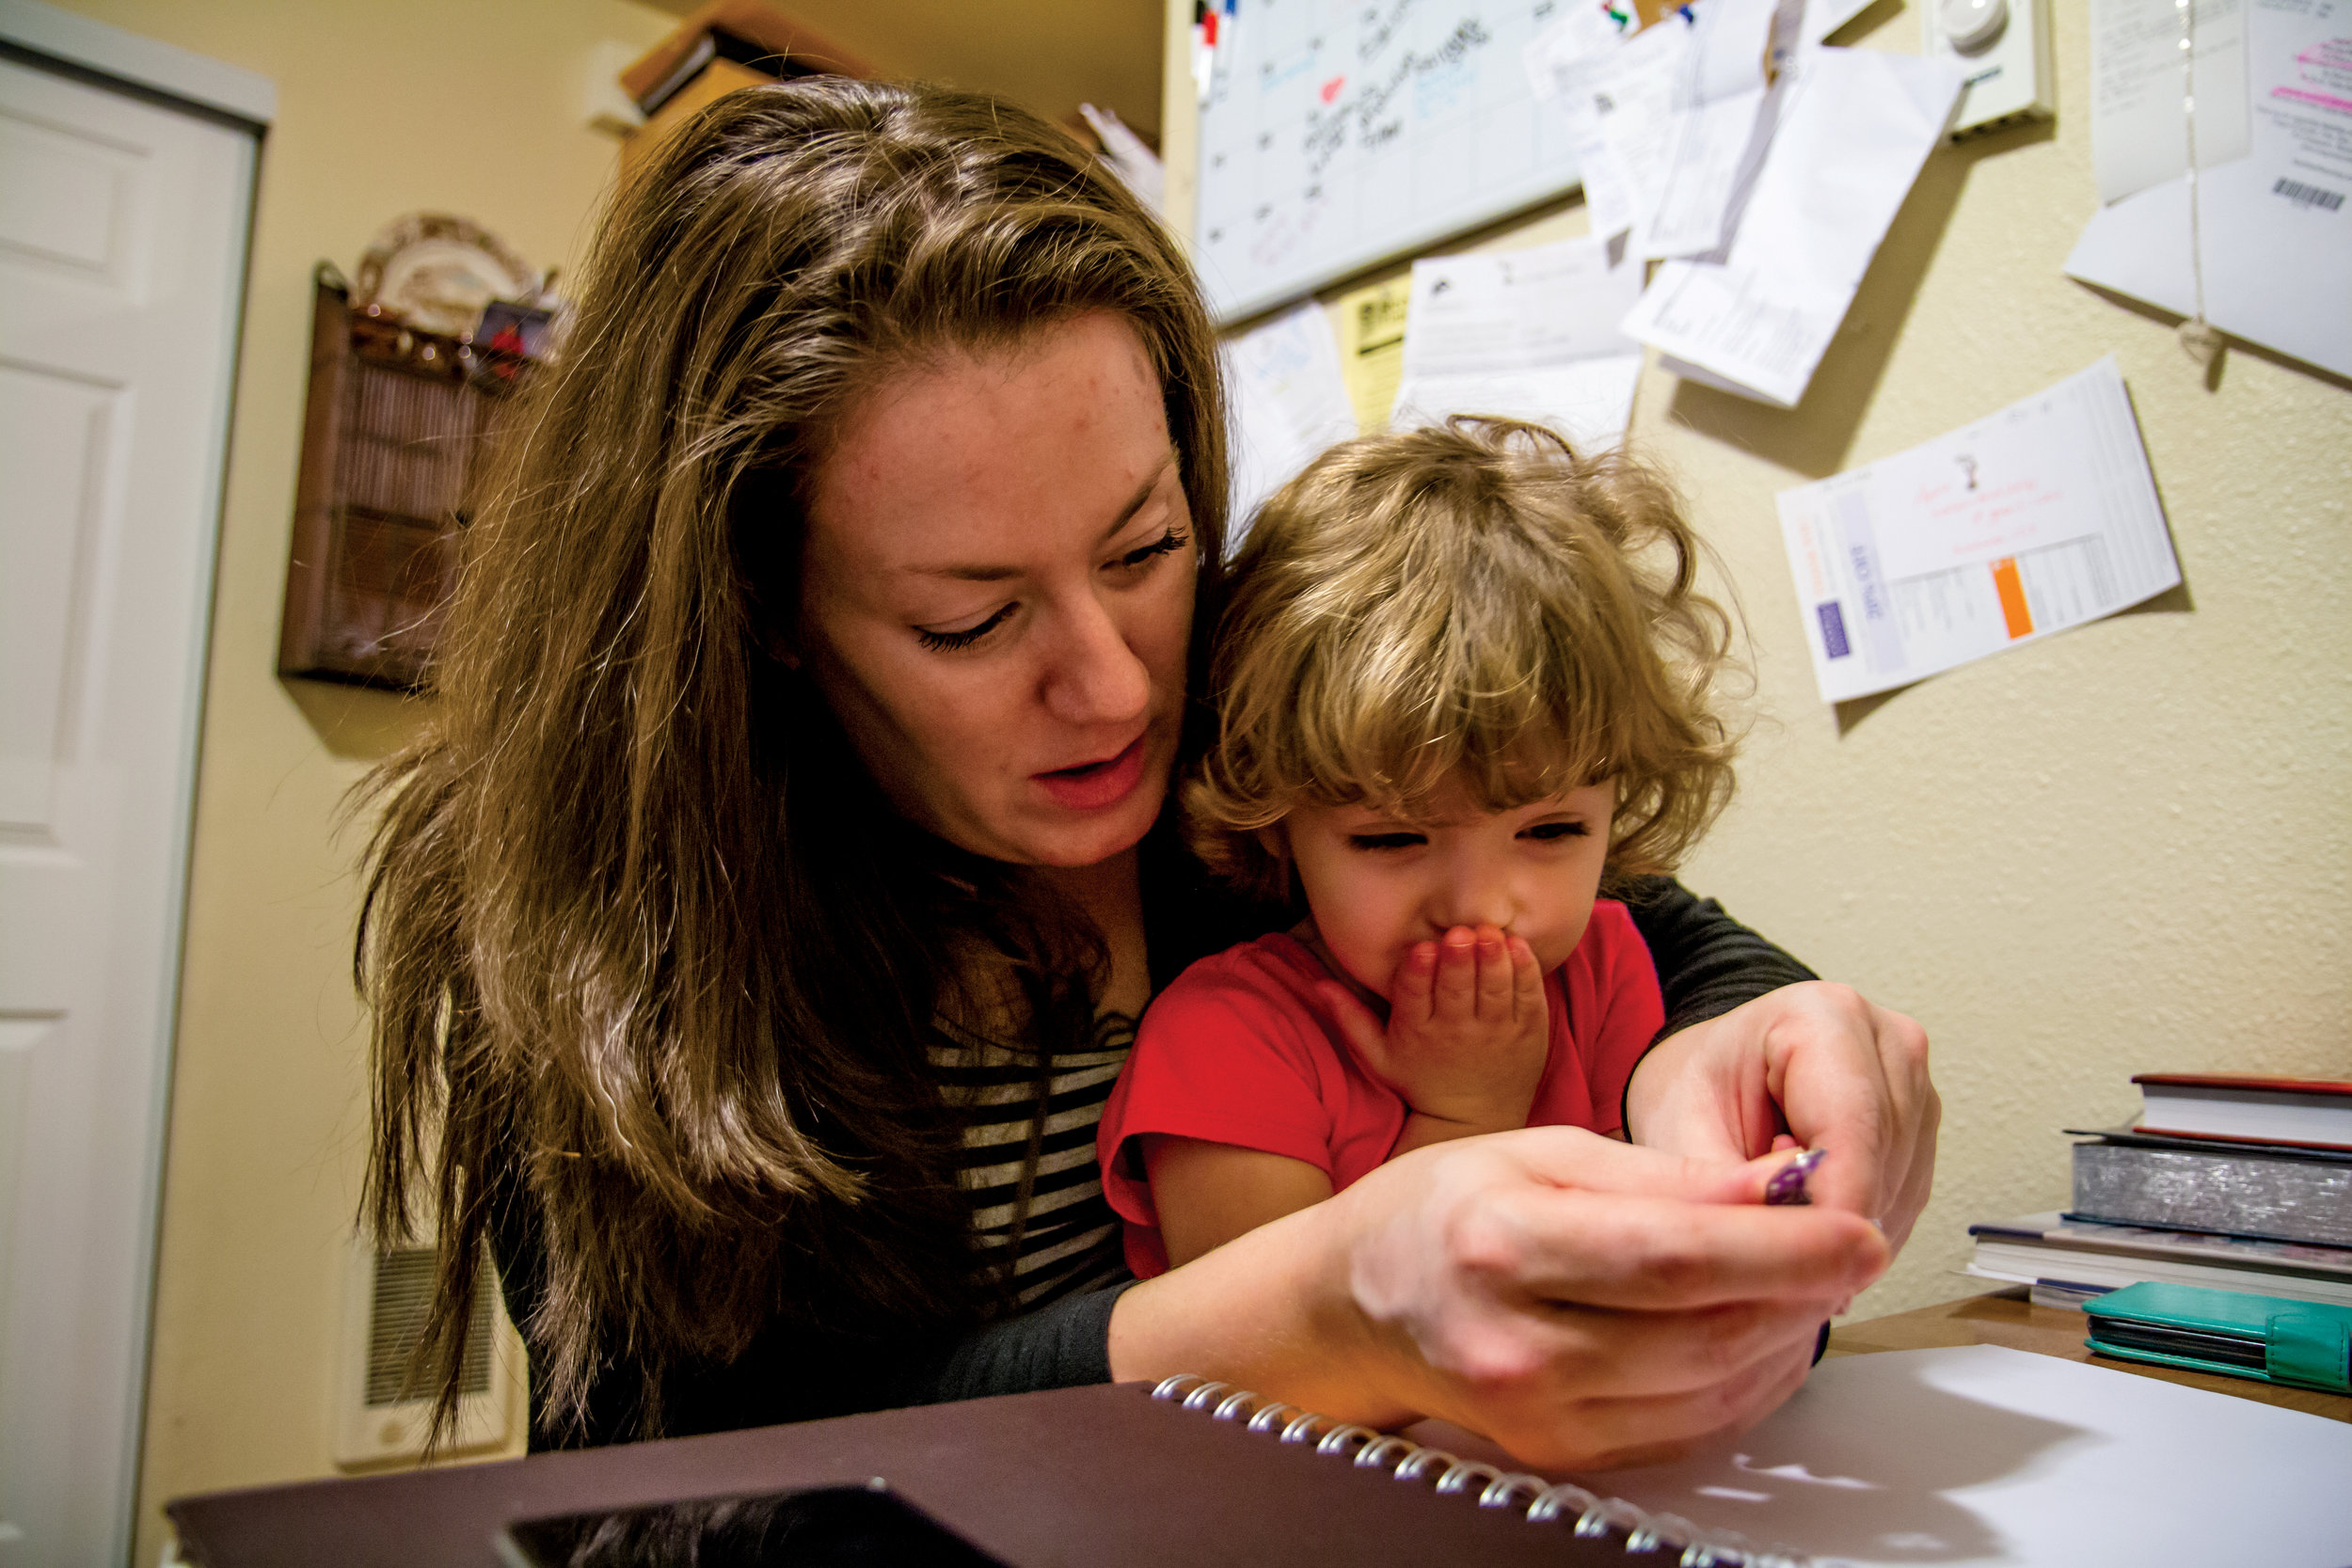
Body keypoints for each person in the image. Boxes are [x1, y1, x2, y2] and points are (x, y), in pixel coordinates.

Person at [356, 76, 1937, 1469]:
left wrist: (1756, 1032)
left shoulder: (1244, 749)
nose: (1117, 688)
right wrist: (1310, 1309)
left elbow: (1637, 925)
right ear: (757, 609)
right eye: (970, 620)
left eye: (1148, 546)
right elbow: (704, 1502)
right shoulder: (586, 922)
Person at [1101, 418, 1788, 1278]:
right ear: (1274, 812)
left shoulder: (1604, 969)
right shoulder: (1225, 1040)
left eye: (1550, 830)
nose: (1479, 905)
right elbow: (1276, 1366)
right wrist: (1466, 1117)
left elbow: (1643, 1269)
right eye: (1392, 837)